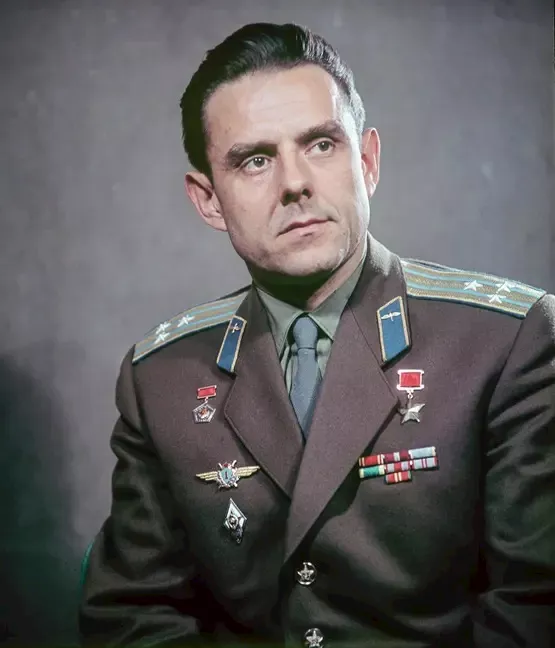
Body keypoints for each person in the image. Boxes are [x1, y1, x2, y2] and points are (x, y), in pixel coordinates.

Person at [79, 22, 555, 648]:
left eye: (322, 144)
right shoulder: (162, 378)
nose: (295, 183)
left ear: (367, 161)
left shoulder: (506, 342)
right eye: (255, 160)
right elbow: (134, 615)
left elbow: (535, 609)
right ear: (209, 199)